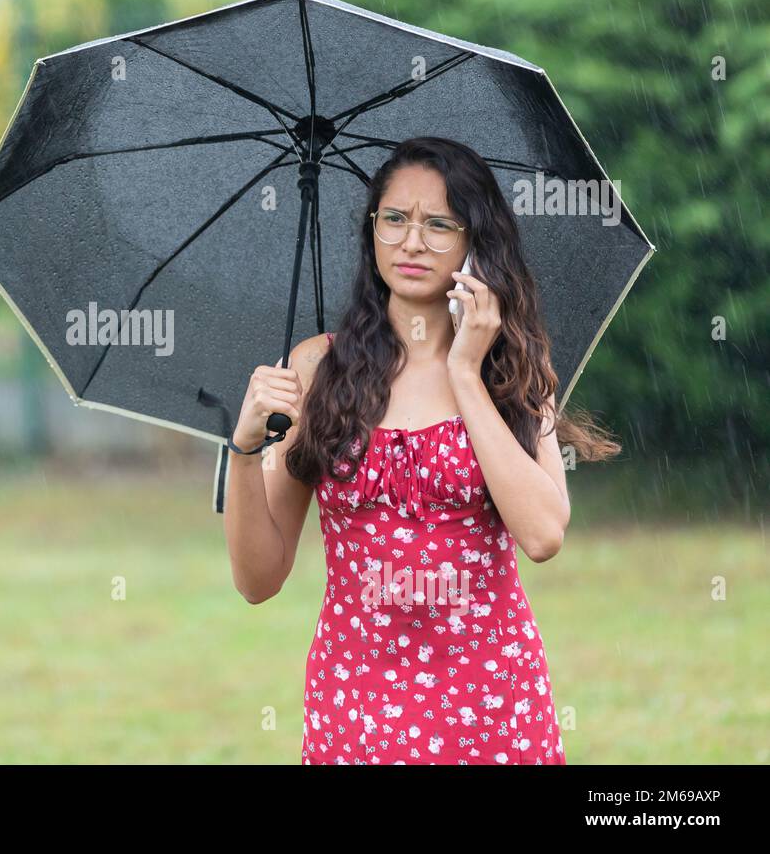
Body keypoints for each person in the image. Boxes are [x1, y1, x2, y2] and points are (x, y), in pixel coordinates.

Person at [223, 135, 620, 764]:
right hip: (355, 709)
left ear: (474, 242)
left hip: (490, 707)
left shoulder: (513, 369)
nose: (413, 241)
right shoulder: (316, 368)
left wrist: (465, 371)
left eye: (440, 224)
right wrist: (244, 449)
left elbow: (544, 534)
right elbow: (257, 579)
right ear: (371, 230)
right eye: (396, 219)